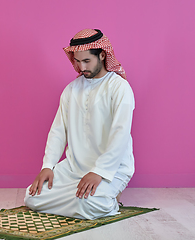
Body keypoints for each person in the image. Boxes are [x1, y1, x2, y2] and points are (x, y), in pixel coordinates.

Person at [24, 29, 135, 220]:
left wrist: (99, 172)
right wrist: (48, 166)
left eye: (86, 61)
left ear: (102, 55)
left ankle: (106, 197)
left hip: (111, 168)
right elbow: (59, 131)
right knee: (32, 197)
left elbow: (120, 134)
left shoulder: (119, 87)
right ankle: (83, 199)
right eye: (77, 61)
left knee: (91, 203)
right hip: (74, 168)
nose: (81, 67)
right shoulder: (71, 90)